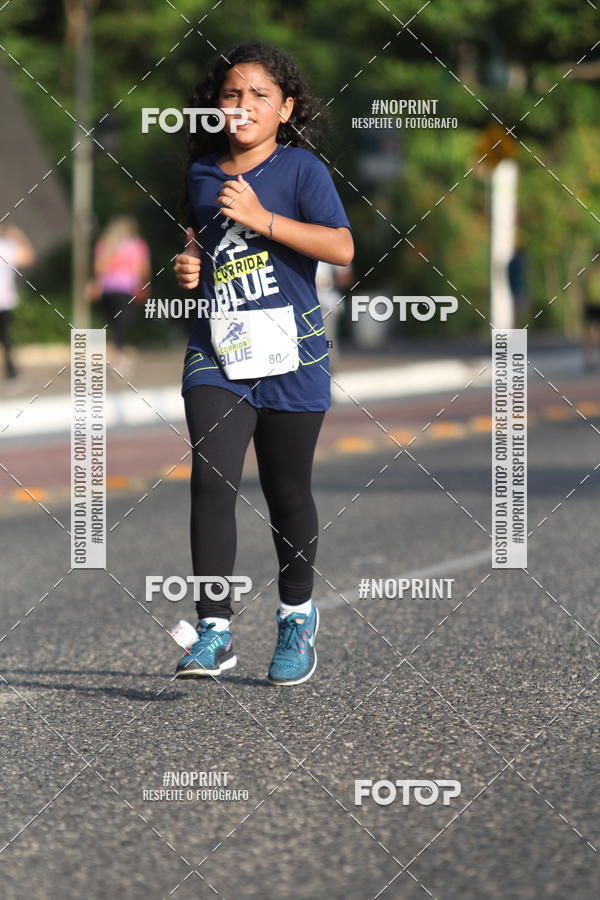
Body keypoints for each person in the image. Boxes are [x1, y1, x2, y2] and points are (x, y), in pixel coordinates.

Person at [173, 41, 353, 686]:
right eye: (231, 94)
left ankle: (296, 617)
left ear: (286, 108)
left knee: (287, 491)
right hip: (217, 350)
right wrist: (187, 265)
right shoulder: (201, 173)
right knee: (211, 478)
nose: (243, 105)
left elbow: (340, 247)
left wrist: (262, 217)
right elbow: (198, 244)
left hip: (291, 350)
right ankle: (214, 630)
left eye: (258, 95)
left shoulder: (302, 170)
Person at [91, 216, 151, 375]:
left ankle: (116, 357)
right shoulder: (136, 245)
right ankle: (120, 359)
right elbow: (142, 269)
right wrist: (144, 286)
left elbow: (98, 269)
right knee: (122, 326)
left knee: (113, 325)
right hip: (126, 290)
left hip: (107, 290)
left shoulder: (105, 244)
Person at [0, 224, 36, 386]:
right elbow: (28, 257)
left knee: (6, 338)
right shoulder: (7, 247)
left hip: (4, 300)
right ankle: (11, 373)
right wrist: (18, 236)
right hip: (4, 300)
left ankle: (11, 372)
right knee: (6, 338)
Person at [315, 260, 354, 372]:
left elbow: (346, 276)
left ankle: (329, 373)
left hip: (326, 304)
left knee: (327, 343)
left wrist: (328, 282)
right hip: (302, 303)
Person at [583, 253, 600, 371]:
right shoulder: (589, 273)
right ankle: (589, 360)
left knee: (596, 333)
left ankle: (592, 359)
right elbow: (584, 290)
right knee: (588, 333)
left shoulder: (589, 273)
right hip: (591, 305)